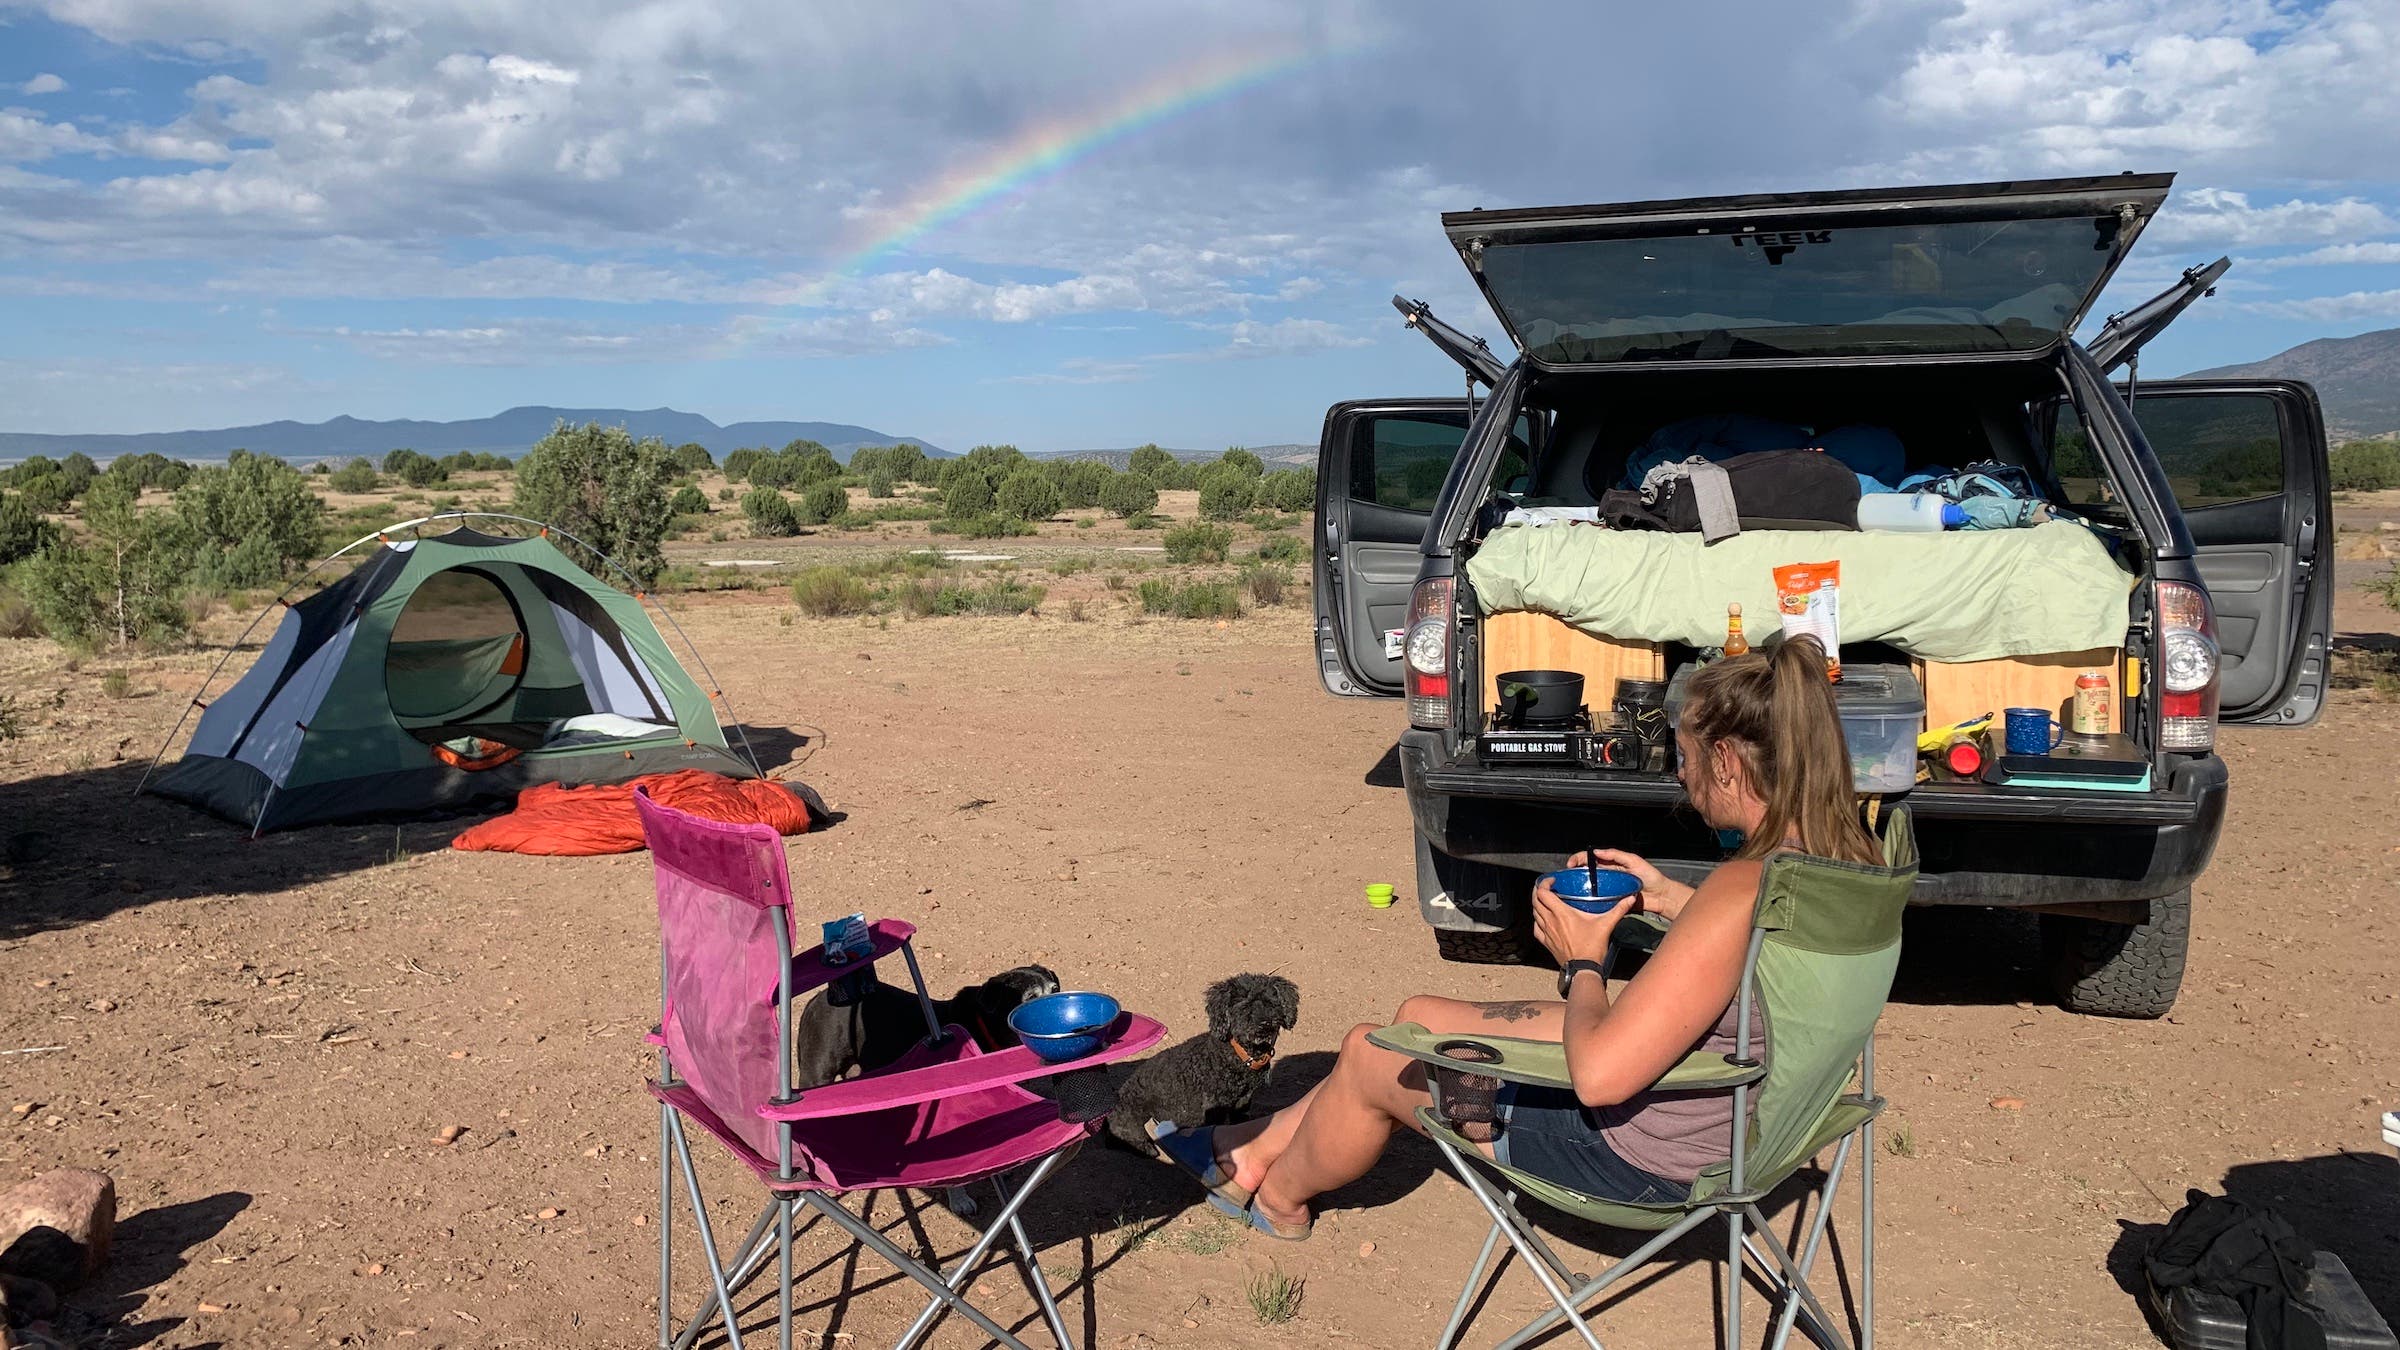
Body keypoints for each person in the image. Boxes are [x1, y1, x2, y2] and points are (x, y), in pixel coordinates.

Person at [1153, 637, 1880, 1238]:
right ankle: (1237, 1153)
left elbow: (1598, 1075)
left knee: (1375, 1056)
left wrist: (1584, 959)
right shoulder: (1844, 864)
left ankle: (1277, 1197)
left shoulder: (1741, 887)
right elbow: (1766, 954)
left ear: (1728, 759)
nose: (1680, 776)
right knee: (1418, 1014)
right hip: (1731, 1118)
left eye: (1686, 758)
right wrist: (1668, 896)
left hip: (1643, 1158)